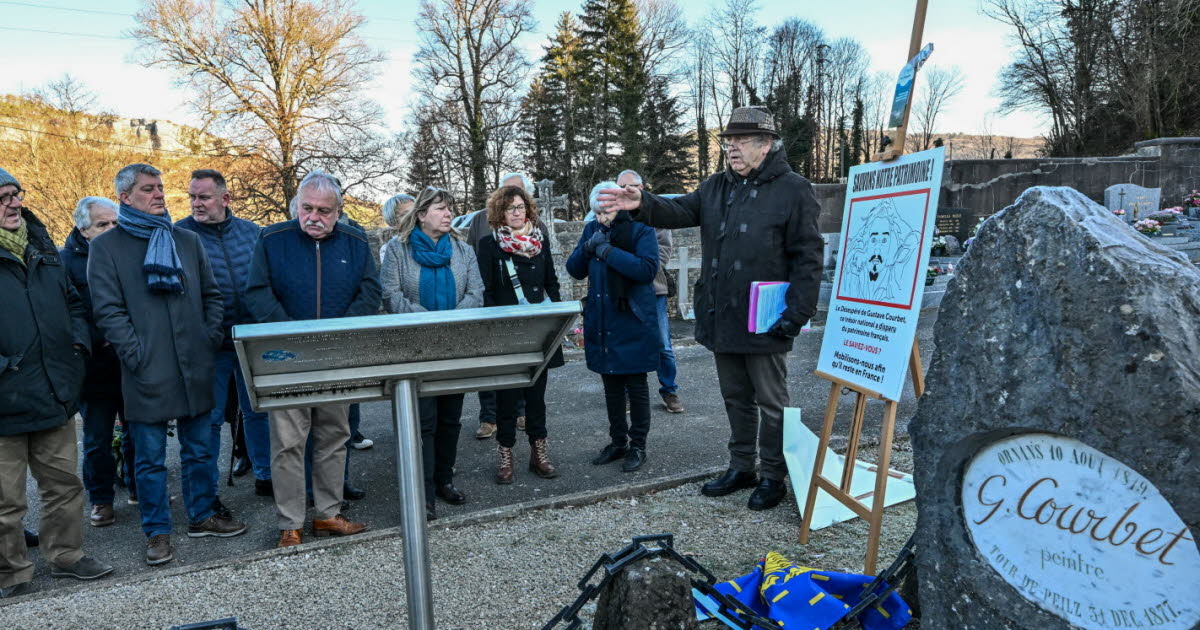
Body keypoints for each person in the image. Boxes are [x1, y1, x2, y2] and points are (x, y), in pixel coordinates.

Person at [598, 106, 824, 510]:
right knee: (735, 396)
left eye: (741, 141)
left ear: (766, 144)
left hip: (767, 318)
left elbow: (808, 257)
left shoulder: (794, 189)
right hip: (724, 314)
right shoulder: (717, 186)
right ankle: (742, 466)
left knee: (772, 402)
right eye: (729, 141)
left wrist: (796, 314)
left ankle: (774, 474)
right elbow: (680, 209)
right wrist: (641, 202)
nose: (732, 148)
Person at [90, 163, 247, 565]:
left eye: (160, 187)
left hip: (194, 362)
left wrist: (208, 338)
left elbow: (213, 296)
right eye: (148, 189)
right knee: (149, 459)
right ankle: (157, 532)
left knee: (200, 449)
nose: (159, 194)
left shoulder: (186, 240)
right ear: (126, 197)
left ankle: (202, 514)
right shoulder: (107, 248)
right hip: (146, 368)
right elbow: (108, 312)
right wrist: (136, 354)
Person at [245, 170, 380, 548]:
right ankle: (290, 523)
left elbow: (370, 291)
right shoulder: (273, 239)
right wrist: (290, 335)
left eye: (324, 210)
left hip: (337, 357)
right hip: (287, 357)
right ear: (296, 206)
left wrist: (342, 334)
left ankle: (327, 514)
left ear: (338, 212)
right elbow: (256, 292)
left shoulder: (355, 241)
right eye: (307, 208)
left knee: (334, 436)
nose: (314, 217)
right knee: (288, 442)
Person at [0, 168, 114, 597]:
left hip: (54, 391)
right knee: (6, 503)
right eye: (3, 197)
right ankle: (11, 573)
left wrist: (77, 351)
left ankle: (66, 556)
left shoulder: (41, 248)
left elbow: (73, 304)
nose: (13, 203)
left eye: (15, 194)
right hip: (4, 399)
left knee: (64, 487)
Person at [381, 186, 483, 520]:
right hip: (416, 346)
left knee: (450, 419)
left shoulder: (462, 249)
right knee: (423, 421)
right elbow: (391, 295)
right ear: (421, 214)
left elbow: (476, 292)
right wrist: (427, 321)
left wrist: (451, 319)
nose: (448, 213)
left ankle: (444, 480)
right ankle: (422, 491)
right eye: (440, 208)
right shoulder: (398, 250)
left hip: (455, 345)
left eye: (449, 207)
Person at [175, 170, 274, 508]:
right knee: (210, 419)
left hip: (251, 338)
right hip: (209, 345)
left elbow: (266, 278)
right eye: (192, 197)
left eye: (203, 196)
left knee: (259, 411)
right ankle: (208, 493)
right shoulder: (180, 234)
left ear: (225, 198)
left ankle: (267, 476)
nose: (196, 203)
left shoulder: (251, 232)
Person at [567, 182, 660, 473]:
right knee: (611, 385)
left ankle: (638, 445)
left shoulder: (640, 229)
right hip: (603, 319)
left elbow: (646, 269)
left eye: (607, 208)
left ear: (620, 204)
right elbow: (574, 269)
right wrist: (589, 245)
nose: (602, 215)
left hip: (632, 318)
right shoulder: (592, 230)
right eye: (597, 210)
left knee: (636, 384)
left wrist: (607, 251)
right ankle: (618, 442)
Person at [475, 185, 562, 484]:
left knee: (537, 397)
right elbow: (485, 291)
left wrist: (556, 324)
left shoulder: (540, 242)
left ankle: (539, 454)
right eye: (511, 207)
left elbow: (552, 283)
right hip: (506, 333)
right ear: (500, 212)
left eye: (521, 207)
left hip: (539, 331)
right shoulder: (489, 245)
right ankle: (506, 454)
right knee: (507, 399)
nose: (517, 212)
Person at [60, 196, 137, 526]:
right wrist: (96, 340)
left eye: (115, 223)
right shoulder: (64, 263)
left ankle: (139, 488)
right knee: (96, 439)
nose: (110, 229)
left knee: (139, 432)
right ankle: (102, 499)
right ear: (83, 229)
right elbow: (68, 314)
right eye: (102, 224)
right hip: (94, 367)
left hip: (130, 360)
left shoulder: (129, 252)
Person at [466, 173, 533, 440]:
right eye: (507, 191)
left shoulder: (532, 223)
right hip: (489, 301)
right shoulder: (479, 220)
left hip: (523, 303)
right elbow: (470, 257)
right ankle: (489, 417)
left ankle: (520, 412)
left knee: (520, 361)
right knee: (490, 362)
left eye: (517, 193)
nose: (512, 198)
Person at [615, 170, 684, 414]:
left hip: (652, 288)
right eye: (621, 186)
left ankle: (669, 390)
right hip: (622, 290)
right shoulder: (613, 213)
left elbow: (663, 250)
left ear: (642, 187)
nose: (626, 190)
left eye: (631, 185)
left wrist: (639, 267)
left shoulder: (656, 213)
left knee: (663, 343)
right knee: (625, 343)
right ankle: (626, 393)